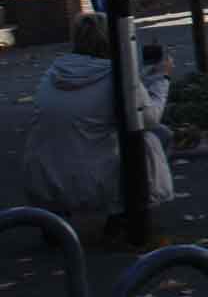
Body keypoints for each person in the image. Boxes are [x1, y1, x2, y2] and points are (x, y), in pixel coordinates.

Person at [23, 13, 174, 235]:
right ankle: (126, 212)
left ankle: (56, 218)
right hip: (93, 183)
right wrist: (162, 78)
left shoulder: (53, 74)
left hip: (44, 180)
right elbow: (149, 117)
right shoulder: (116, 76)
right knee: (154, 136)